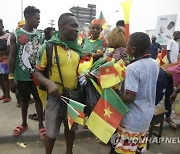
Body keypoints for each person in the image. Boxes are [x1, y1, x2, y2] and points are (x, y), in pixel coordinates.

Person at [35, 13, 82, 154]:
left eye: (77, 26)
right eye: (73, 26)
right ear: (62, 27)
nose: (77, 30)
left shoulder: (77, 49)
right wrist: (49, 83)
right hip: (55, 97)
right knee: (51, 130)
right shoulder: (48, 47)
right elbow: (37, 72)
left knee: (71, 128)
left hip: (73, 97)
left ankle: (69, 152)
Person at [115, 32, 159, 153]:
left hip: (132, 120)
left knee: (126, 150)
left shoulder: (133, 68)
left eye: (127, 44)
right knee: (138, 148)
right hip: (146, 116)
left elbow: (130, 97)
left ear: (133, 49)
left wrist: (117, 92)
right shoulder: (155, 63)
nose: (126, 46)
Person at [9, 6, 45, 139]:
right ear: (28, 18)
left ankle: (41, 125)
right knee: (24, 100)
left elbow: (41, 55)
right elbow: (12, 56)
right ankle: (24, 123)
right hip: (22, 76)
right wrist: (11, 77)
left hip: (36, 76)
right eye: (36, 18)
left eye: (39, 18)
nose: (39, 21)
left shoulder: (39, 35)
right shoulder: (16, 34)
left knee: (38, 100)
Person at [155, 63, 180, 129]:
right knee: (158, 97)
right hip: (164, 74)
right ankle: (148, 118)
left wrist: (174, 93)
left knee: (169, 97)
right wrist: (175, 92)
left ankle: (168, 117)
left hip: (170, 77)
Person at [0, 19, 11, 103]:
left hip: (5, 60)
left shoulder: (8, 36)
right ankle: (4, 94)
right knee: (0, 78)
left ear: (2, 26)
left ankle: (8, 96)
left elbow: (8, 50)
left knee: (5, 77)